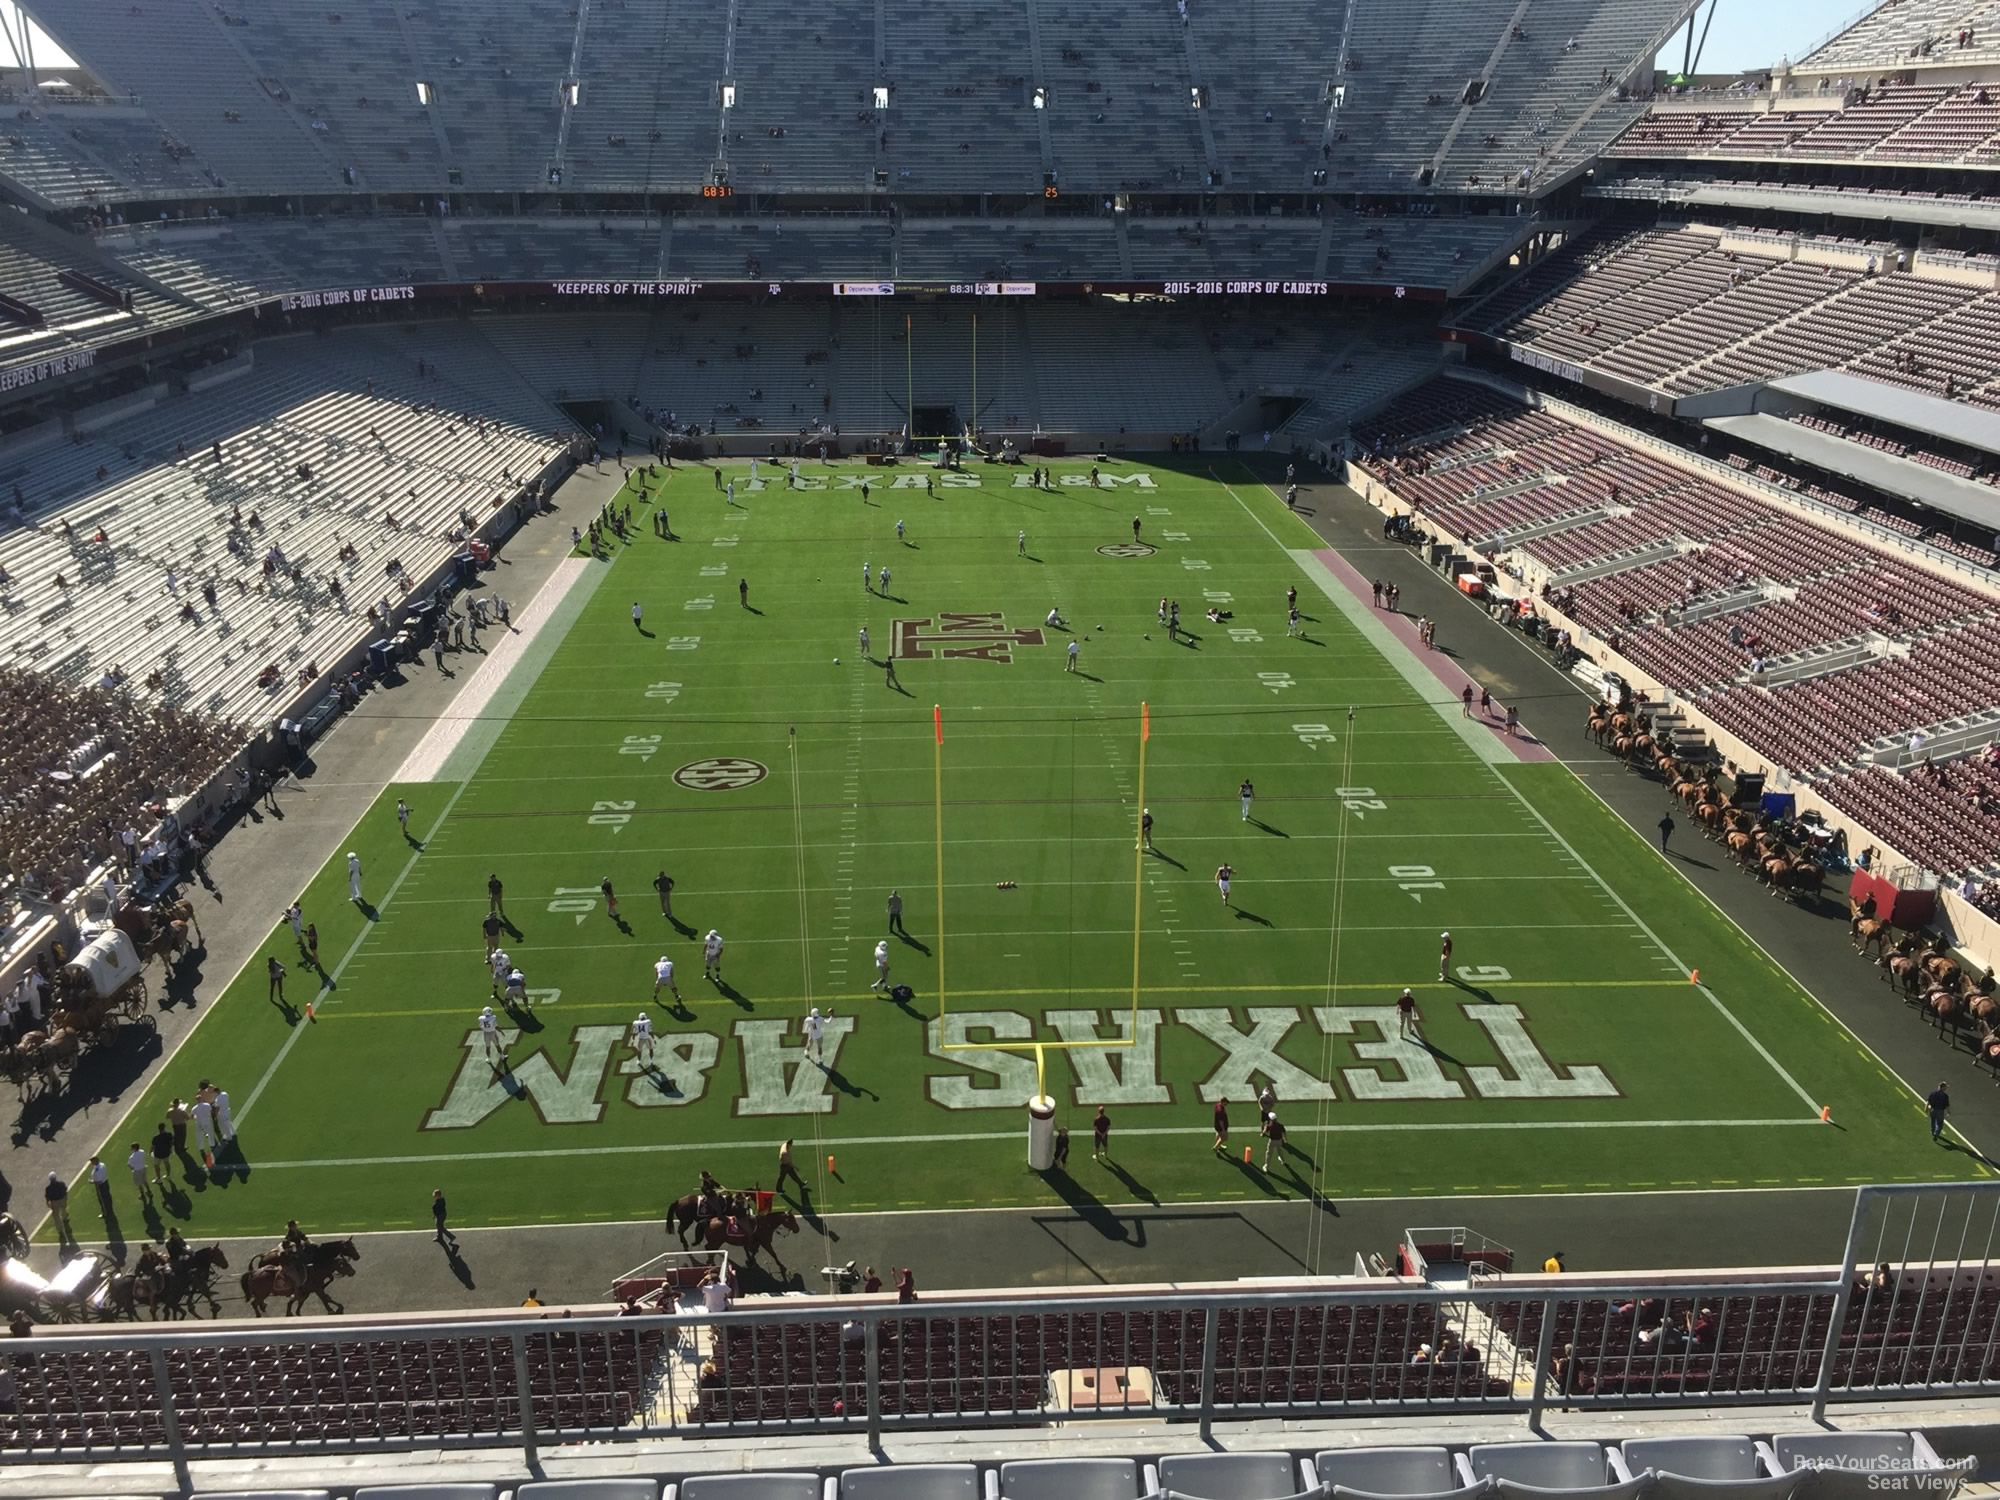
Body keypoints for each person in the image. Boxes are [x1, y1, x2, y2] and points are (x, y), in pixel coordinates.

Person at [44, 1172, 70, 1243]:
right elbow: (65, 1190)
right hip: (62, 1199)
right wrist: (65, 1198)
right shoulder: (61, 1184)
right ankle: (65, 1218)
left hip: (54, 1202)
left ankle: (60, 1230)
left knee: (56, 1217)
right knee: (63, 1209)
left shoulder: (48, 1188)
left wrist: (48, 1202)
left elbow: (47, 1197)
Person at [150, 1121, 174, 1185]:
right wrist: (171, 1149)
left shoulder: (156, 1137)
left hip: (158, 1154)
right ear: (164, 1127)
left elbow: (153, 1146)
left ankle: (159, 1179)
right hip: (166, 1153)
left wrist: (150, 1152)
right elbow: (171, 1143)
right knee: (167, 1163)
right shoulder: (169, 1134)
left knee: (156, 1166)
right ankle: (168, 1176)